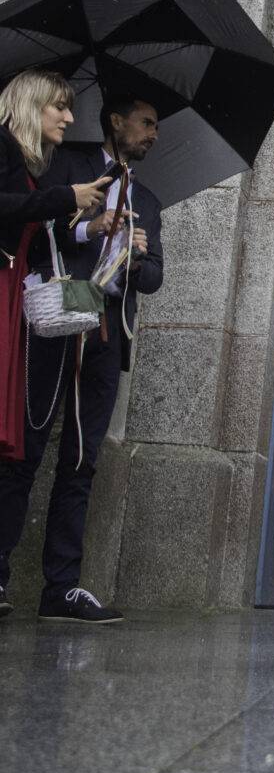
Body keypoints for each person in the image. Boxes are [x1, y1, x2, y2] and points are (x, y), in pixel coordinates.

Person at [0, 94, 163, 625]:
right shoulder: (66, 166)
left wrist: (138, 257)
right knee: (24, 452)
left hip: (106, 335)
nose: (152, 135)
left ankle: (62, 588)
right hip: (53, 323)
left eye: (155, 128)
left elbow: (156, 278)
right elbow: (35, 230)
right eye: (145, 124)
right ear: (116, 123)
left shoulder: (151, 201)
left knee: (81, 460)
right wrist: (87, 228)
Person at [0, 69, 110, 494]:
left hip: (12, 292)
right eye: (60, 107)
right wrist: (67, 195)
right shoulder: (1, 143)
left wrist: (88, 221)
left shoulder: (28, 162)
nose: (68, 118)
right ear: (32, 105)